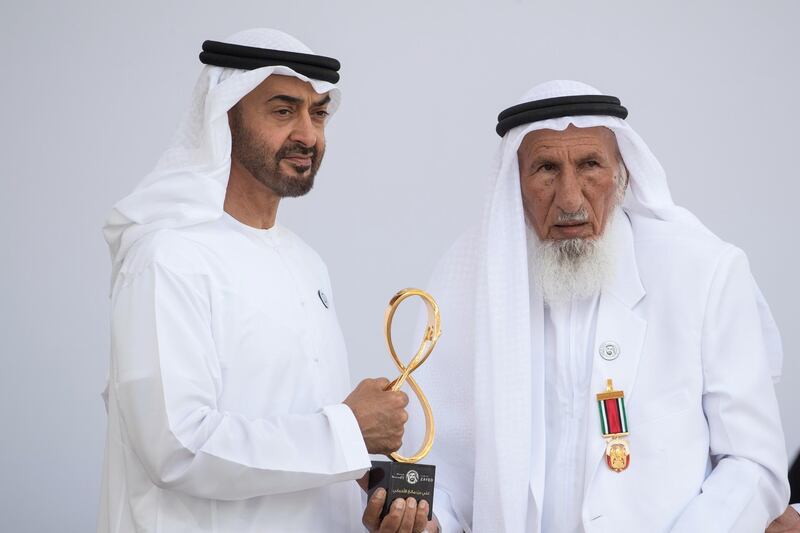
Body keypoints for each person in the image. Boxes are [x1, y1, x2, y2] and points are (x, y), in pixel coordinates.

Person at [397, 80, 791, 532]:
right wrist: (427, 521)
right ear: (515, 183)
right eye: (546, 168)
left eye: (589, 166)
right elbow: (445, 468)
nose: (569, 198)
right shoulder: (467, 282)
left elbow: (753, 462)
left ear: (621, 174)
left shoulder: (702, 271)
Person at [97, 28, 428, 532]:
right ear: (225, 119)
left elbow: (300, 433)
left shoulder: (306, 263)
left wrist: (370, 485)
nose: (307, 133)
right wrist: (347, 429)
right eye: (282, 110)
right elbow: (176, 447)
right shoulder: (169, 257)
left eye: (318, 113)